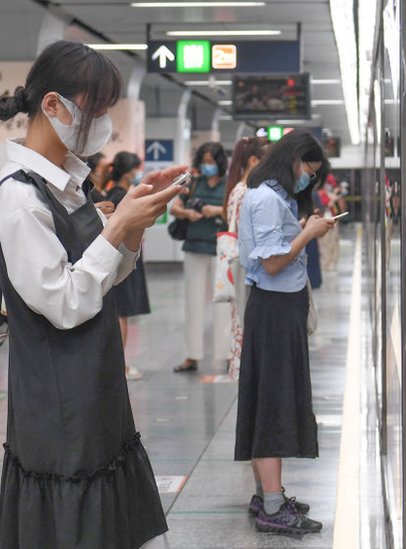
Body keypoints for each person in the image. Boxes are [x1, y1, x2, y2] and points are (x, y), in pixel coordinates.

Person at [0, 40, 182, 548]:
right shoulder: (21, 195)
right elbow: (64, 302)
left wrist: (134, 225)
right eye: (93, 110)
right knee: (72, 526)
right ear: (52, 104)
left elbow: (102, 282)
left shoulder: (69, 184)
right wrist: (116, 229)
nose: (101, 124)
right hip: (58, 399)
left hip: (94, 380)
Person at [235, 129, 335, 534]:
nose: (307, 179)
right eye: (306, 170)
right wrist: (307, 235)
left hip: (281, 307)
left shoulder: (274, 198)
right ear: (290, 159)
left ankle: (268, 494)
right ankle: (273, 508)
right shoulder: (264, 199)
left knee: (274, 398)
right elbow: (273, 263)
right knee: (273, 403)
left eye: (313, 175)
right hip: (274, 309)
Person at [172, 142, 232, 373]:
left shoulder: (229, 184)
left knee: (224, 304)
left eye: (211, 161)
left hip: (222, 249)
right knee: (193, 303)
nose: (208, 166)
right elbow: (175, 207)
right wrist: (188, 212)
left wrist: (215, 211)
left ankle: (226, 354)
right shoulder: (193, 182)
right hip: (194, 247)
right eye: (204, 161)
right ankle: (191, 356)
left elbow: (235, 209)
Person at [223, 136, 270, 379]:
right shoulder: (244, 192)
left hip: (241, 268)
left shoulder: (239, 190)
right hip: (245, 269)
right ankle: (246, 376)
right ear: (253, 161)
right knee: (244, 322)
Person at [105, 151, 151, 382]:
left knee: (122, 313)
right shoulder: (120, 196)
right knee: (121, 314)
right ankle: (119, 366)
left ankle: (119, 364)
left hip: (122, 256)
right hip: (119, 257)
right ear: (129, 171)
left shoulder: (117, 193)